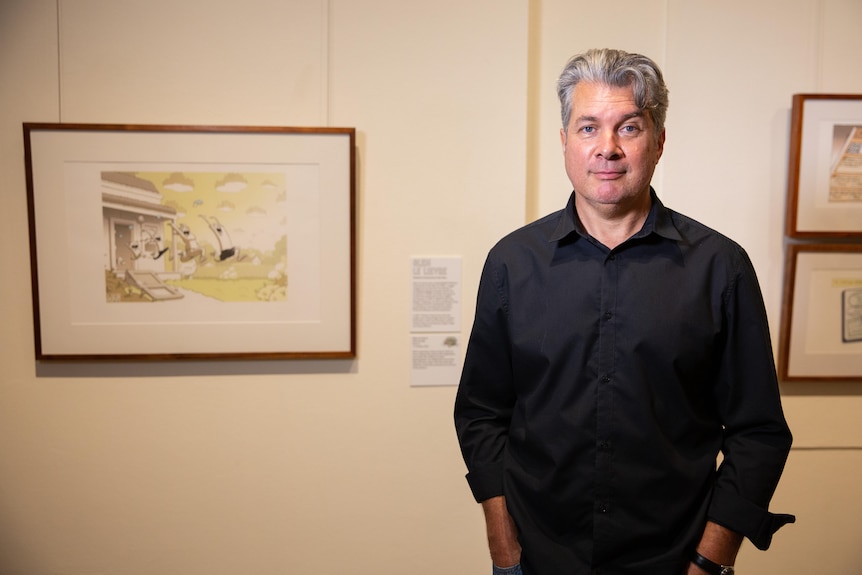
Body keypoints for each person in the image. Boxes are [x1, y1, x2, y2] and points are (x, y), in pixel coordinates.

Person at [453, 48, 794, 575]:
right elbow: (481, 414)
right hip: (537, 558)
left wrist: (711, 560)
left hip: (675, 559)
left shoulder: (720, 268)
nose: (606, 148)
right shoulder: (511, 263)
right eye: (588, 127)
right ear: (564, 140)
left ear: (658, 142)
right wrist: (502, 541)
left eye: (628, 127)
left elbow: (759, 433)